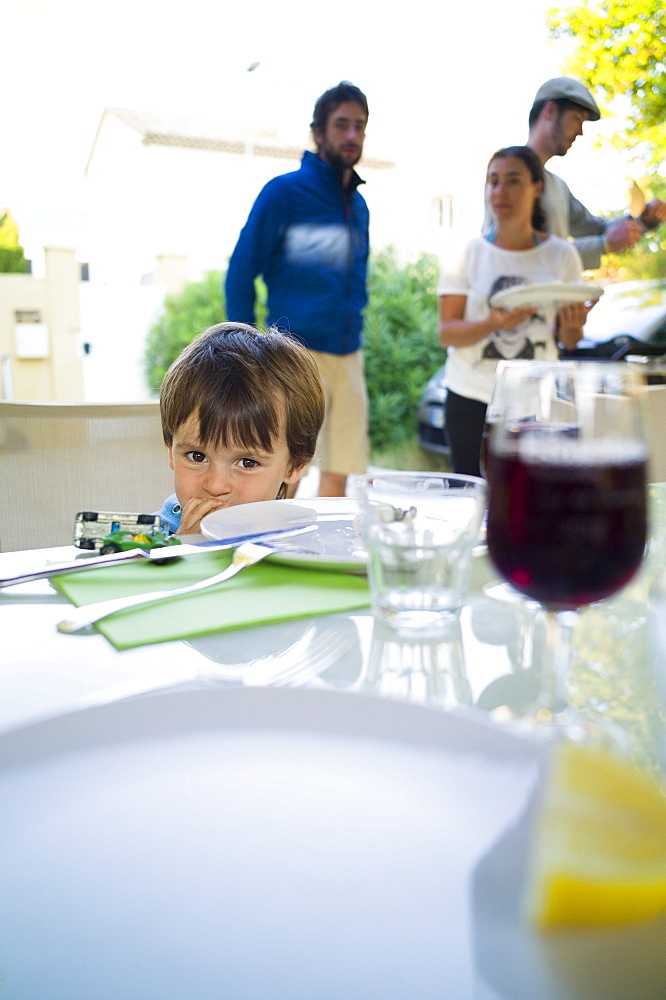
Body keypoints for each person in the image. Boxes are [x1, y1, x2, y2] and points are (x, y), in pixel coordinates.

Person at [224, 81, 370, 499]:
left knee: (341, 470)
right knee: (287, 470)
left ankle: (318, 556)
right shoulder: (284, 193)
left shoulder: (358, 206)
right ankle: (273, 549)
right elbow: (240, 272)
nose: (352, 136)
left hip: (350, 355)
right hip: (296, 355)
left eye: (360, 126)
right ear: (318, 132)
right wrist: (244, 348)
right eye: (342, 125)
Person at [439, 145, 592, 478]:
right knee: (473, 499)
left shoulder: (562, 255)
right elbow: (446, 332)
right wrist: (492, 322)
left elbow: (570, 339)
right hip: (470, 398)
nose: (500, 192)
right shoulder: (467, 254)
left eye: (512, 181)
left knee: (531, 501)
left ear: (537, 188)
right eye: (493, 181)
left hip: (537, 402)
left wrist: (573, 324)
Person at [156, 321, 325, 535]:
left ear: (294, 466)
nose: (216, 486)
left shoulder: (305, 539)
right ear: (171, 450)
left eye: (247, 463)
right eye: (197, 456)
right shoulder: (154, 540)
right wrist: (186, 548)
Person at [525, 77, 666, 270]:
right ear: (551, 110)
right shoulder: (508, 173)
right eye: (576, 118)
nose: (581, 132)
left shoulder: (557, 185)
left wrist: (644, 221)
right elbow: (521, 254)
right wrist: (603, 245)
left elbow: (597, 229)